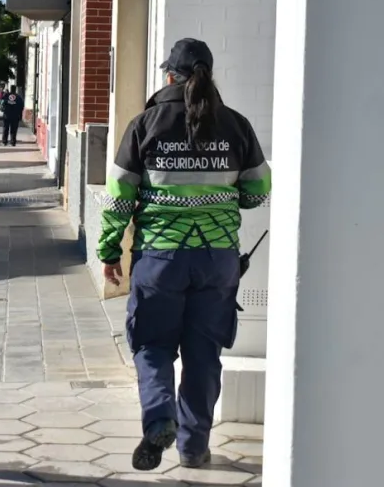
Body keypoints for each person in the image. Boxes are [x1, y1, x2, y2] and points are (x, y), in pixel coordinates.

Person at [96, 38, 271, 472]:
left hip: (160, 259)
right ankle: (194, 448)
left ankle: (160, 419)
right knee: (203, 355)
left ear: (170, 76)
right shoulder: (236, 125)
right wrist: (220, 198)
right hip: (217, 261)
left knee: (152, 344)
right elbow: (257, 193)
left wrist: (110, 250)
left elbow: (119, 196)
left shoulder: (145, 124)